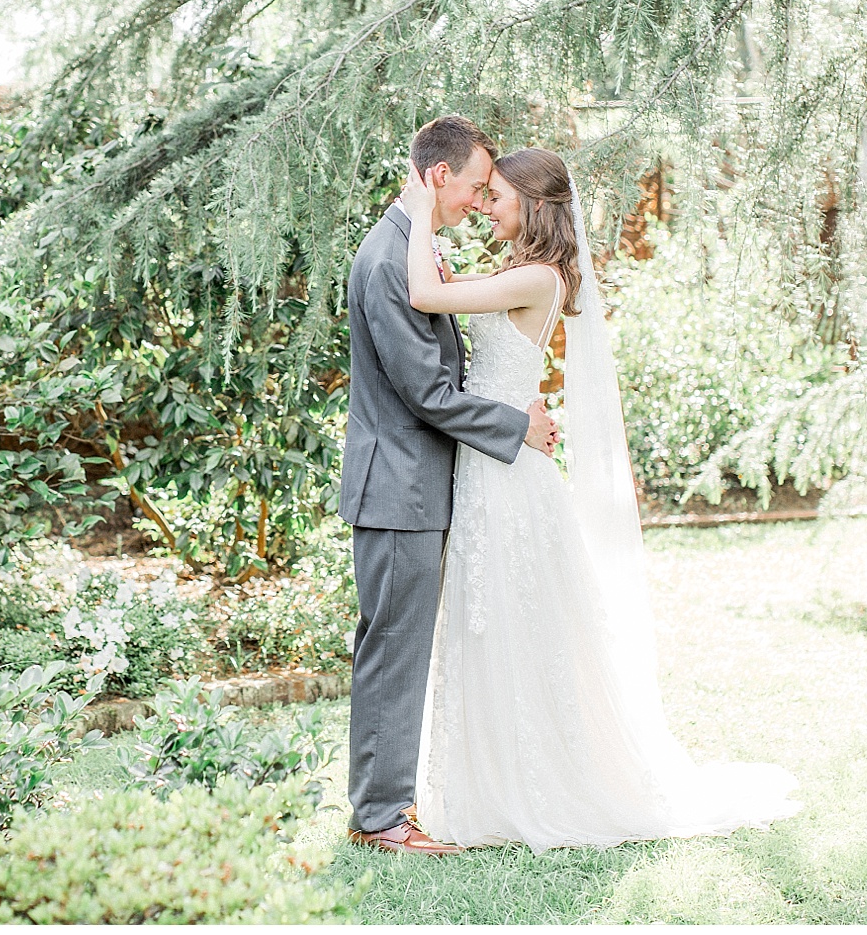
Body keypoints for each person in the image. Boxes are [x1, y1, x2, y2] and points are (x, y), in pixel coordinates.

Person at [397, 144, 802, 850]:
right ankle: (491, 778)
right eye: (483, 193)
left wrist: (418, 215)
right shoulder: (522, 272)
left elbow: (425, 297)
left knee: (511, 616)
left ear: (533, 203)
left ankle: (532, 783)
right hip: (497, 453)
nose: (486, 205)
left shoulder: (535, 275)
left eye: (495, 195)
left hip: (507, 473)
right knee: (492, 615)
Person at [340, 115, 560, 856]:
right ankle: (381, 818)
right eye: (473, 186)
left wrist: (512, 400)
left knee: (393, 646)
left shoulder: (410, 248)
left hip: (410, 486)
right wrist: (512, 426)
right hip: (398, 488)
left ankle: (380, 809)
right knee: (394, 649)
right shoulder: (389, 258)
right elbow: (427, 394)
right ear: (439, 176)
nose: (475, 200)